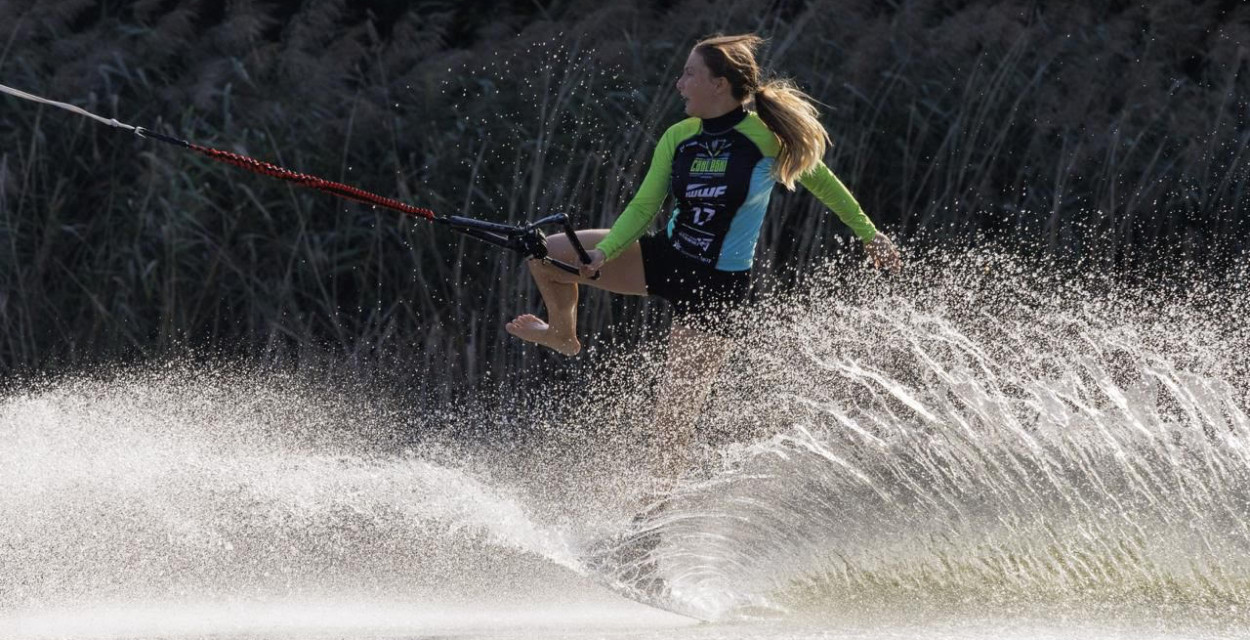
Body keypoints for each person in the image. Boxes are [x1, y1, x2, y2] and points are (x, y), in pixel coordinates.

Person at [506, 33, 900, 497]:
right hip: (668, 257)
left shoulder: (767, 140)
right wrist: (603, 252)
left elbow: (826, 186)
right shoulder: (679, 137)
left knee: (675, 413)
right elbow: (644, 205)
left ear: (719, 83)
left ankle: (655, 514)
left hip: (717, 287)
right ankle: (563, 334)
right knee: (547, 253)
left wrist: (870, 234)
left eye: (689, 73)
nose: (679, 84)